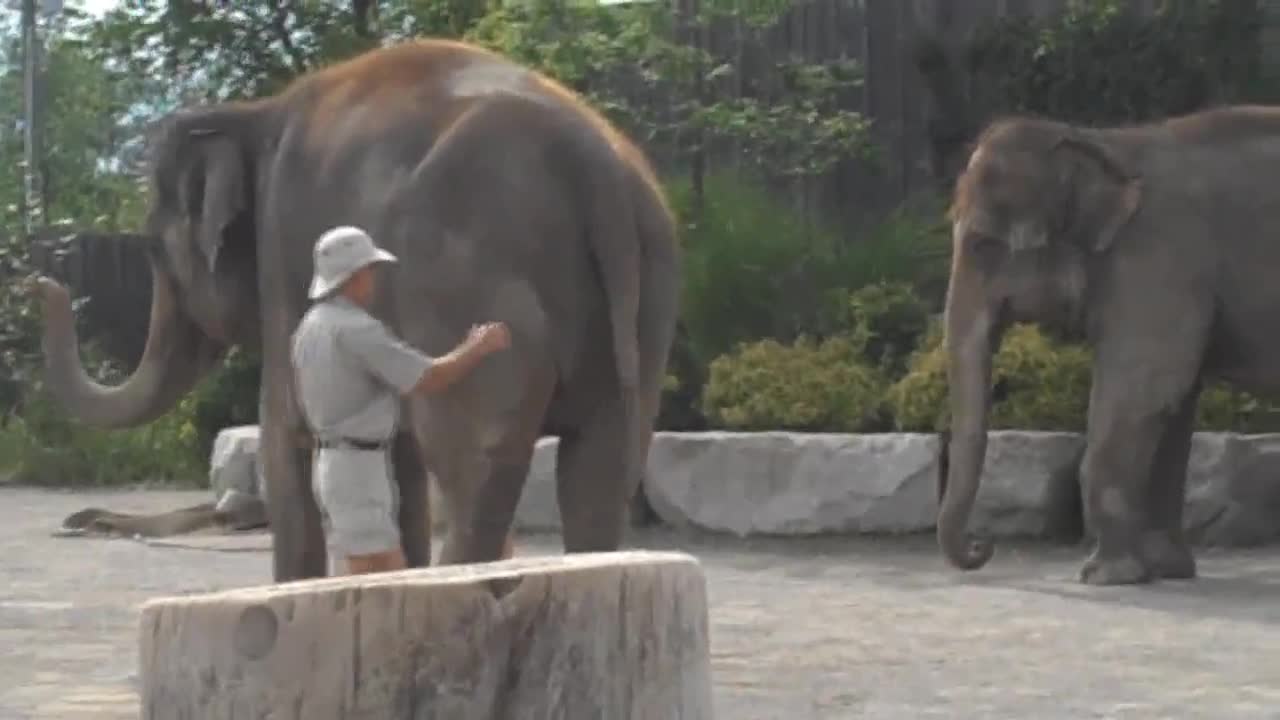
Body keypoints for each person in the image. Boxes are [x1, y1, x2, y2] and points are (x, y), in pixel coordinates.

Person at [291, 225, 511, 575]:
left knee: (362, 570)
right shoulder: (355, 329)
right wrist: (477, 348)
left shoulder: (311, 325)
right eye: (369, 271)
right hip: (356, 467)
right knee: (380, 575)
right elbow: (427, 377)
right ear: (353, 276)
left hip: (338, 462)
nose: (374, 280)